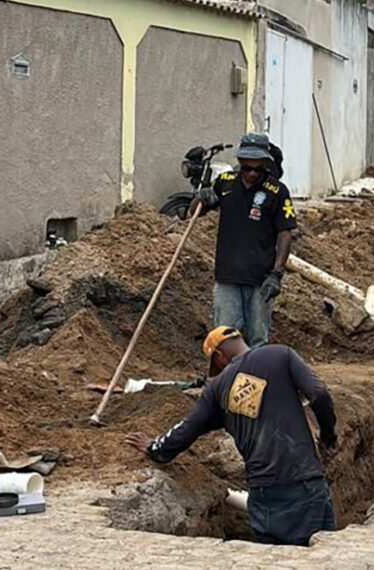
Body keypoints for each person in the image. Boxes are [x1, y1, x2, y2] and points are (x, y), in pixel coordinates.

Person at [125, 327, 339, 546]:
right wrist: (328, 437)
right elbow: (319, 393)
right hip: (304, 483)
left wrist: (155, 448)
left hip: (262, 495)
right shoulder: (280, 354)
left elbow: (185, 430)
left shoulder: (216, 389)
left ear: (218, 356)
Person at [191, 133, 297, 347]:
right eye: (246, 168)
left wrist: (277, 274)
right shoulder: (225, 183)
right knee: (223, 338)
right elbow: (193, 213)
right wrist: (201, 198)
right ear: (239, 162)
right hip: (227, 276)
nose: (251, 174)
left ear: (266, 165)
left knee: (258, 337)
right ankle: (224, 379)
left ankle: (254, 377)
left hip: (260, 279)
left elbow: (285, 233)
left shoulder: (276, 191)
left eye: (257, 170)